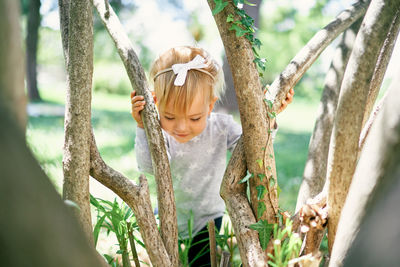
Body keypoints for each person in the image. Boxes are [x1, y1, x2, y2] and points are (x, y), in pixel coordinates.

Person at [131, 46, 293, 266]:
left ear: (210, 106)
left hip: (207, 218)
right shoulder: (160, 132)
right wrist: (143, 126)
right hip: (169, 214)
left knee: (203, 262)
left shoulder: (222, 127)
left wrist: (269, 116)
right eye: (169, 116)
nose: (181, 127)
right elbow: (149, 166)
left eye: (194, 118)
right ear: (155, 103)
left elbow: (256, 150)